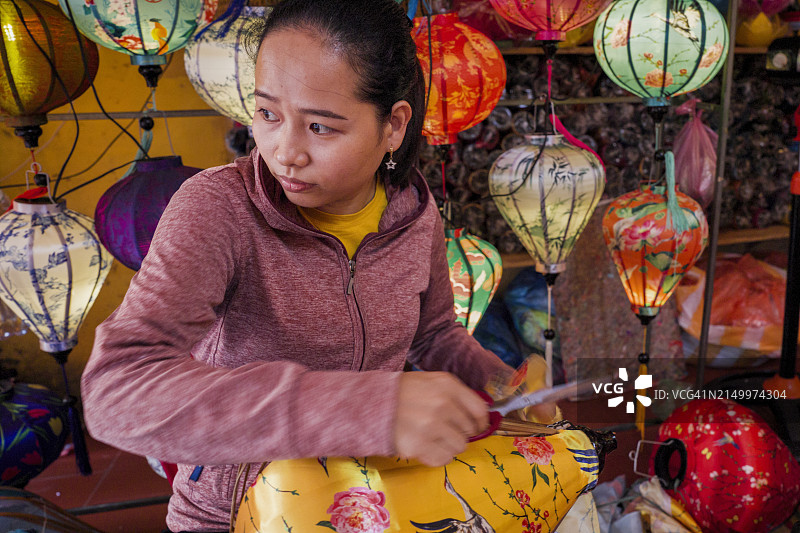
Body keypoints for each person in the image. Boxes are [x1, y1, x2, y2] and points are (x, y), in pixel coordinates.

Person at [80, 0, 516, 531]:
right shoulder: (218, 209)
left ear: (394, 125)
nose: (285, 152)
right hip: (237, 514)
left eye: (321, 127)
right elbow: (117, 389)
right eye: (268, 114)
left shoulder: (413, 213)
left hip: (369, 504)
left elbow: (434, 333)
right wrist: (364, 408)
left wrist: (502, 383)